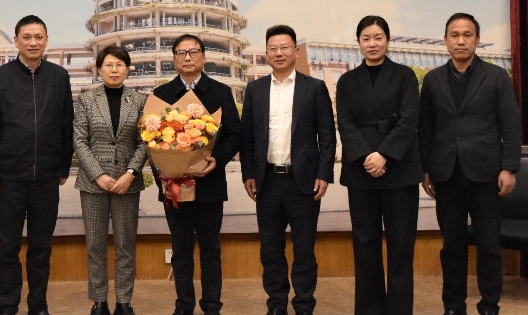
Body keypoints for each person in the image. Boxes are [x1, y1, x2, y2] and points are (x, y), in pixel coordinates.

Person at [418, 12, 521, 315]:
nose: (461, 41)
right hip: (446, 173)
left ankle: (489, 305)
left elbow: (511, 125)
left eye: (467, 35)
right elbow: (425, 128)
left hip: (487, 173)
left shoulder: (496, 77)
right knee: (452, 246)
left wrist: (509, 167)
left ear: (477, 39)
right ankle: (453, 306)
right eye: (455, 35)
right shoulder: (433, 80)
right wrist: (426, 169)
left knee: (489, 245)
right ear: (445, 40)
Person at [0, 14, 74, 315]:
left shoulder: (59, 77)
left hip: (46, 178)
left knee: (41, 249)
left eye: (39, 37)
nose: (33, 42)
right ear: (16, 40)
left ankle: (38, 305)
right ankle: (7, 305)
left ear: (46, 40)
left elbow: (66, 123)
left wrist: (63, 167)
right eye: (27, 37)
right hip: (8, 179)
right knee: (7, 249)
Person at [240, 24, 336, 315]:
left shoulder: (314, 87)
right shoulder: (255, 90)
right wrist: (248, 174)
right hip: (267, 181)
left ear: (295, 51)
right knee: (270, 250)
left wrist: (324, 174)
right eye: (273, 48)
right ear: (266, 53)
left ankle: (304, 305)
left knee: (304, 250)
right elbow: (247, 138)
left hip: (302, 183)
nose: (278, 53)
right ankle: (276, 304)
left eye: (284, 47)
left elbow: (327, 136)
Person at [336, 15, 423, 315]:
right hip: (361, 172)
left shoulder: (405, 76)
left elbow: (409, 121)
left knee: (401, 246)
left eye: (378, 38)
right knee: (365, 244)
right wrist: (367, 157)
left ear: (387, 40)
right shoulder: (347, 81)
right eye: (366, 39)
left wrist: (384, 154)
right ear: (358, 43)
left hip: (399, 170)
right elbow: (345, 123)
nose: (372, 44)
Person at [152, 34, 242, 315]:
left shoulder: (220, 92)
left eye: (193, 52)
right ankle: (184, 305)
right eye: (181, 53)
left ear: (203, 56)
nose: (187, 57)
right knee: (180, 249)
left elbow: (235, 135)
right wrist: (163, 172)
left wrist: (217, 159)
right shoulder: (161, 94)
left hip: (209, 184)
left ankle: (212, 305)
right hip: (173, 186)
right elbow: (150, 141)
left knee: (210, 248)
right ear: (174, 59)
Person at [73, 45, 147, 315]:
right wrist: (98, 175)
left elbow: (145, 142)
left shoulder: (139, 101)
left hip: (128, 184)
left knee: (126, 245)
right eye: (108, 65)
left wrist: (131, 173)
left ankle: (124, 301)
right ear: (99, 69)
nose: (114, 70)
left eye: (119, 65)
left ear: (128, 69)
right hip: (92, 184)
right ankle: (99, 301)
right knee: (95, 245)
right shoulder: (86, 100)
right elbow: (79, 141)